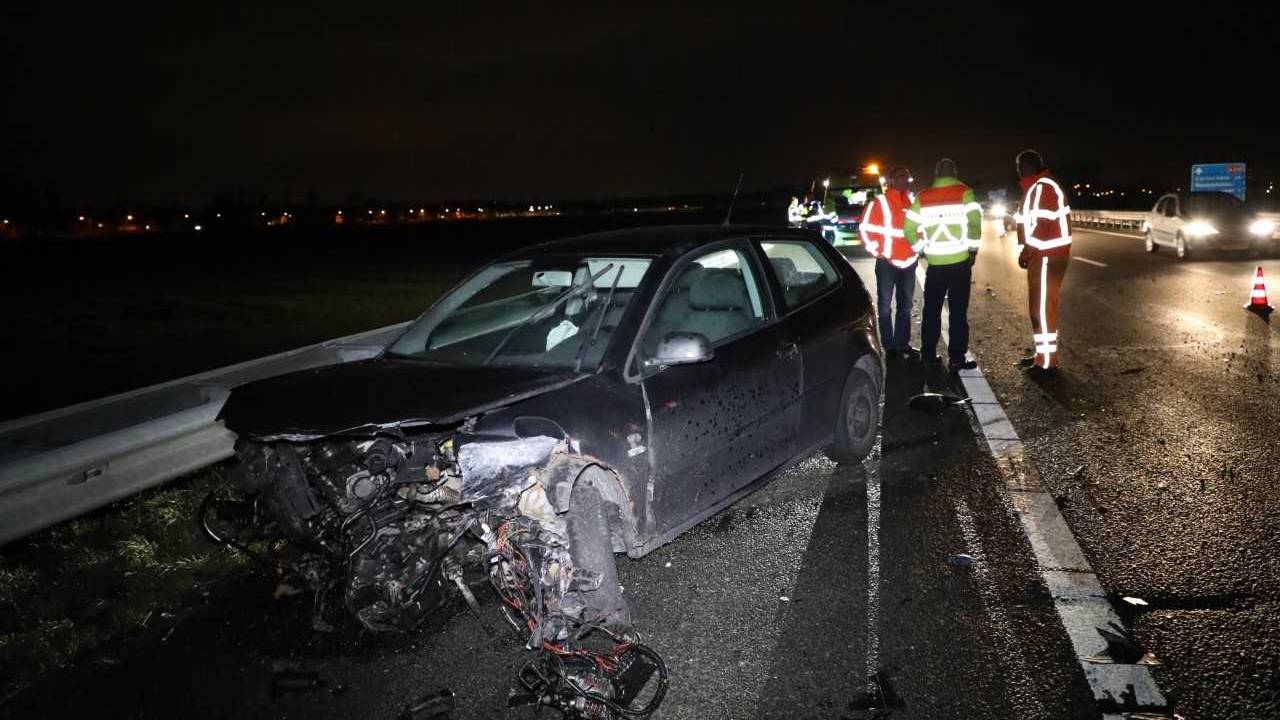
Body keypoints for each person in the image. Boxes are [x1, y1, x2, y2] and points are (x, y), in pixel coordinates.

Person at [903, 158, 982, 373]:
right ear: (954, 173)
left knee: (931, 310)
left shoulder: (923, 197)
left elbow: (908, 228)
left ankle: (928, 355)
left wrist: (922, 250)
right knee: (958, 311)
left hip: (936, 265)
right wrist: (973, 250)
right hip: (960, 263)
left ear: (936, 174)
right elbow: (975, 224)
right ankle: (956, 358)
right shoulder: (965, 192)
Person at [1013, 149, 1071, 376]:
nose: (1017, 171)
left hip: (1047, 255)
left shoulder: (1042, 187)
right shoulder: (1036, 187)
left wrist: (1026, 253)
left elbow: (1041, 226)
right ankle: (1042, 356)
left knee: (1043, 310)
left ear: (1026, 167)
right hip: (1044, 255)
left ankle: (1047, 363)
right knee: (1040, 309)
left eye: (1019, 166)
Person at [859, 166, 918, 358]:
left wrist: (918, 250)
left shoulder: (913, 201)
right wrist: (878, 252)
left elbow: (922, 228)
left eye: (906, 178)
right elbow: (865, 228)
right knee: (884, 305)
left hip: (908, 261)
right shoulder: (880, 202)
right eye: (900, 177)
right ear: (891, 181)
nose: (903, 181)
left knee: (906, 305)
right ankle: (888, 344)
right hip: (887, 262)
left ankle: (902, 343)